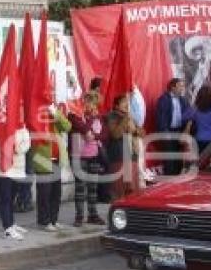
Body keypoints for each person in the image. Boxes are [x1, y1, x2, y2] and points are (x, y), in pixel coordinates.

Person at [32, 105, 71, 231]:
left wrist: (56, 114)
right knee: (44, 192)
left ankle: (53, 220)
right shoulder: (37, 113)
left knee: (56, 191)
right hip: (42, 157)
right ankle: (44, 221)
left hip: (56, 157)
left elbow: (67, 126)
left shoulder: (55, 113)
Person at [68, 93, 104, 226]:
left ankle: (93, 215)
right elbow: (83, 128)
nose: (91, 106)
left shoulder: (97, 117)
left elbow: (103, 134)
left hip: (94, 155)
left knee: (93, 188)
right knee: (80, 189)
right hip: (79, 156)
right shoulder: (74, 115)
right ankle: (79, 217)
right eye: (88, 102)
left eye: (94, 103)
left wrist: (94, 135)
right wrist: (92, 120)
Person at [0, 122, 30, 239]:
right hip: (4, 168)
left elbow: (27, 143)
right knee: (5, 197)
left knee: (13, 196)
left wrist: (16, 147)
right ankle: (7, 227)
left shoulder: (22, 127)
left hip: (18, 167)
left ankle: (12, 223)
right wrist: (9, 146)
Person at [104, 95, 144, 200]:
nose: (127, 104)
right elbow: (115, 134)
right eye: (124, 102)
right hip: (119, 158)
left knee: (133, 192)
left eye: (127, 102)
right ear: (116, 105)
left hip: (132, 157)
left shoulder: (130, 117)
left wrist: (135, 130)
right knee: (119, 192)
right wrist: (125, 120)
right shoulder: (112, 116)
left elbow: (142, 133)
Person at [155, 78, 190, 176]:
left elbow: (189, 114)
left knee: (178, 158)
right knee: (169, 159)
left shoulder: (183, 100)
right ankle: (169, 181)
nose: (182, 89)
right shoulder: (163, 99)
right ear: (172, 87)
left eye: (183, 86)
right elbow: (161, 118)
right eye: (180, 86)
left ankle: (177, 179)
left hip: (180, 132)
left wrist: (186, 130)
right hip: (168, 132)